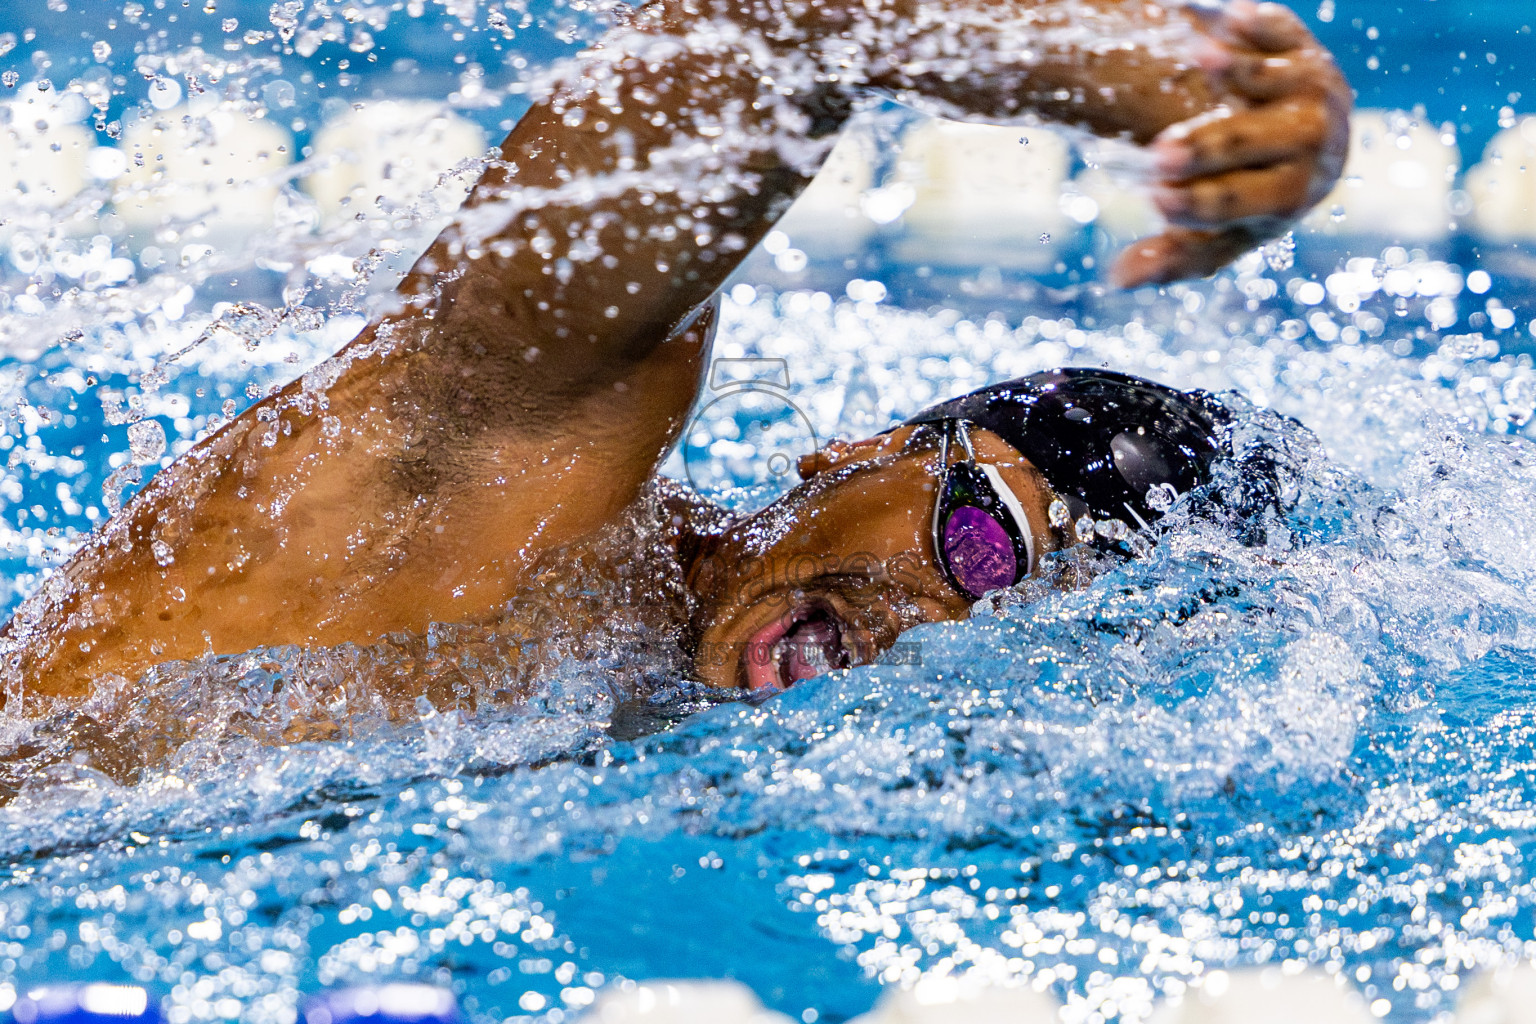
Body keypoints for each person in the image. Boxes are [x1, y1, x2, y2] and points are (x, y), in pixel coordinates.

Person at [0, 0, 1349, 712]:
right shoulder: (520, 471)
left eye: (1027, 623)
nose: (950, 624)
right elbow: (778, 22)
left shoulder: (659, 721)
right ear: (862, 453)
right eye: (986, 542)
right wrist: (1200, 90)